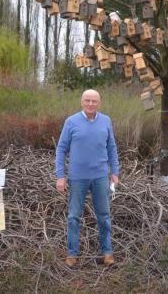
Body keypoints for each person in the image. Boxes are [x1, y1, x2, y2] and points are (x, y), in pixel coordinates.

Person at [55, 89, 119, 268]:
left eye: (94, 101)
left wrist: (115, 172)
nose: (91, 104)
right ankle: (72, 255)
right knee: (74, 217)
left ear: (99, 103)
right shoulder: (71, 122)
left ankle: (107, 253)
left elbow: (111, 148)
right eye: (87, 100)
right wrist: (60, 176)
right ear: (82, 102)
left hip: (100, 177)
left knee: (104, 216)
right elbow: (61, 149)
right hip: (77, 178)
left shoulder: (106, 121)